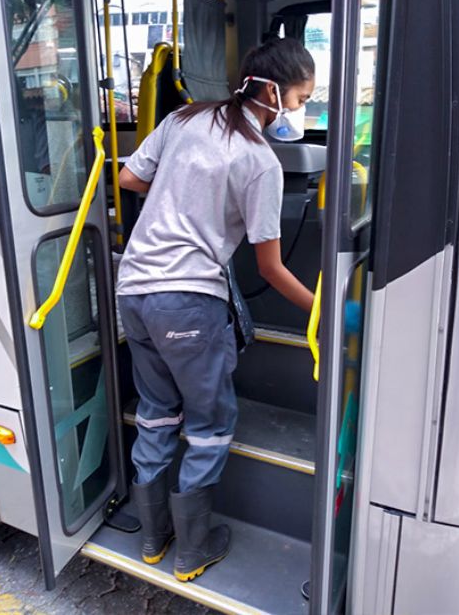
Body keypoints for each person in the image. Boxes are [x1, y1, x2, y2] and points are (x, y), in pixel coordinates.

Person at [115, 37, 317, 582]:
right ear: (272, 91)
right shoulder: (259, 162)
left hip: (132, 290)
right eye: (300, 99)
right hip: (187, 302)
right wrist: (323, 309)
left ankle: (154, 536)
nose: (299, 112)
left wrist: (180, 192)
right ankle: (192, 549)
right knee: (209, 421)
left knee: (157, 411)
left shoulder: (184, 119)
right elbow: (271, 269)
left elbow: (128, 177)